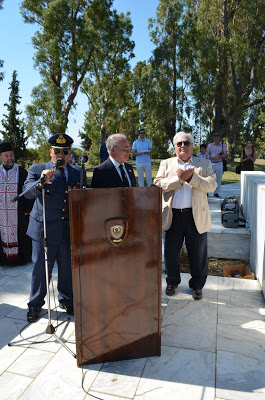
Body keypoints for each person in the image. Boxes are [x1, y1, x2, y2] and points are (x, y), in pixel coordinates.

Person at [23, 133, 82, 323]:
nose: (61, 155)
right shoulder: (37, 169)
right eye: (57, 151)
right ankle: (35, 305)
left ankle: (67, 300)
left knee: (66, 268)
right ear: (50, 152)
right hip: (44, 230)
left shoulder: (76, 171)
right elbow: (28, 194)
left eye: (65, 151)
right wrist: (41, 182)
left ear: (70, 153)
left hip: (67, 229)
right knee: (41, 269)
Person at [154, 131, 217, 300]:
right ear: (175, 147)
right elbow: (157, 185)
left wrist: (192, 178)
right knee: (171, 253)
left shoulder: (203, 163)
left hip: (195, 217)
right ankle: (172, 282)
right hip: (172, 216)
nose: (183, 146)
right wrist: (178, 180)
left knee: (198, 254)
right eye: (179, 143)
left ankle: (197, 286)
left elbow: (211, 185)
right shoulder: (166, 164)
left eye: (186, 143)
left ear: (192, 146)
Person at [0, 142, 34, 266]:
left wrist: (27, 209)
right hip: (2, 213)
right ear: (1, 157)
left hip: (18, 212)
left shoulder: (21, 171)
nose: (9, 158)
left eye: (11, 155)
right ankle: (4, 259)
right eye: (6, 155)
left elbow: (28, 191)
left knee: (21, 234)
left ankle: (21, 259)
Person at [207, 133, 227, 197]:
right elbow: (207, 154)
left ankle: (216, 192)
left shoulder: (222, 145)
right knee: (209, 178)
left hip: (219, 163)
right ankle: (207, 191)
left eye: (217, 137)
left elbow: (226, 154)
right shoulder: (210, 145)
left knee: (219, 178)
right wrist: (213, 157)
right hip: (211, 163)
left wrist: (220, 156)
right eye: (215, 137)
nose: (216, 138)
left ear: (219, 138)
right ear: (213, 138)